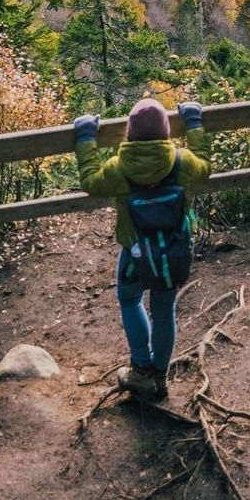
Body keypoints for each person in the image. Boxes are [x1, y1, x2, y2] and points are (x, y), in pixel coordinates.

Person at [73, 98, 210, 401]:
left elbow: (91, 183)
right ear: (165, 132)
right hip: (173, 253)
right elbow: (204, 167)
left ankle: (140, 368)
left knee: (129, 299)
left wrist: (85, 138)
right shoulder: (181, 161)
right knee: (164, 312)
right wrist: (195, 123)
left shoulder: (119, 169)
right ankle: (159, 377)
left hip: (135, 255)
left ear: (129, 132)